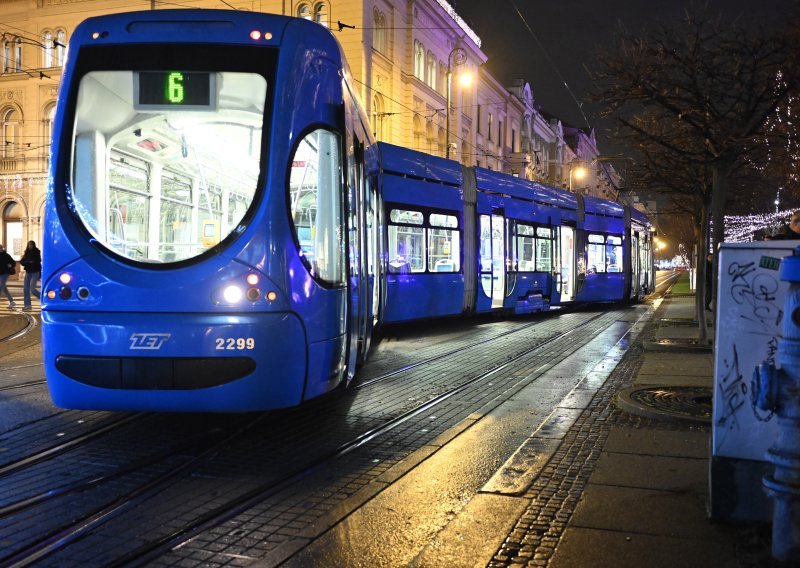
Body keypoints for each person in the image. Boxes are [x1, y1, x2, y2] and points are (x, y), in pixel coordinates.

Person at [20, 240, 41, 311]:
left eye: (31, 245)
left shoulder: (37, 252)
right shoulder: (26, 253)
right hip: (28, 272)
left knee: (32, 289)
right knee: (25, 288)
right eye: (29, 245)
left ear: (34, 245)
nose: (30, 246)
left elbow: (37, 261)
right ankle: (27, 305)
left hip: (35, 271)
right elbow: (22, 261)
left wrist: (29, 262)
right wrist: (28, 262)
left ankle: (43, 298)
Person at [0, 244, 16, 309]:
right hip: (0, 273)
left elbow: (13, 263)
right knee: (4, 288)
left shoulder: (6, 255)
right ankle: (12, 302)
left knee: (1, 287)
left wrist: (10, 265)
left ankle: (12, 302)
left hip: (5, 273)